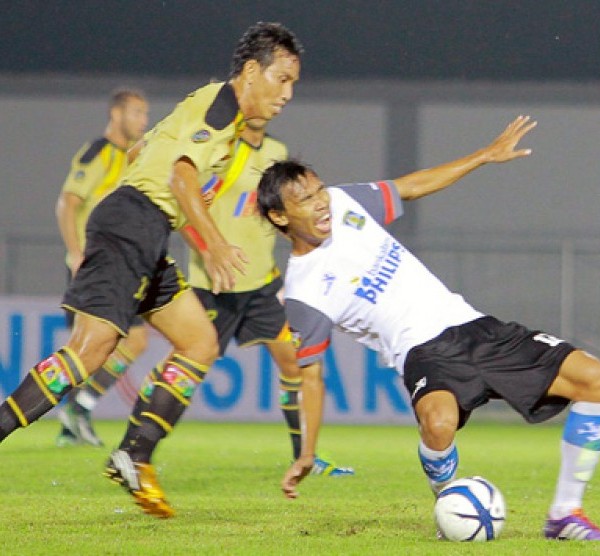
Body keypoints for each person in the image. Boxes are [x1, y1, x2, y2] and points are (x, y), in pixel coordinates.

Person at [259, 115, 600, 541]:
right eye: (304, 199)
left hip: (473, 326)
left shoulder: (345, 205)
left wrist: (484, 156)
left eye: (319, 189)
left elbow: (410, 186)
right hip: (422, 352)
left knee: (597, 380)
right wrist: (307, 451)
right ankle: (447, 498)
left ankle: (565, 514)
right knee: (439, 424)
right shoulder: (305, 292)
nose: (321, 203)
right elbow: (312, 376)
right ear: (280, 217)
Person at [0, 21, 302, 519]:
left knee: (200, 343)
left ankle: (134, 454)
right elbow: (180, 179)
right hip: (132, 222)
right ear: (252, 71)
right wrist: (214, 245)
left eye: (294, 83)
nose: (288, 93)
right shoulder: (221, 106)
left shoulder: (211, 118)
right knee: (88, 352)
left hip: (146, 228)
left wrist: (183, 218)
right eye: (283, 79)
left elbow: (147, 155)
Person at [123, 122, 353, 476]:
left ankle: (305, 458)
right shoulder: (215, 151)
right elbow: (180, 201)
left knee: (294, 364)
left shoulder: (276, 153)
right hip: (215, 286)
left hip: (261, 285)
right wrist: (206, 250)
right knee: (183, 366)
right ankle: (134, 446)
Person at [54, 88, 150, 447]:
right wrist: (76, 253)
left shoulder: (134, 158)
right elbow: (67, 202)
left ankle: (77, 409)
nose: (144, 120)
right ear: (117, 114)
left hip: (121, 267)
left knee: (133, 342)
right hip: (92, 267)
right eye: (138, 113)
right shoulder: (98, 153)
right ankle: (69, 414)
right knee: (87, 349)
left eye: (145, 113)